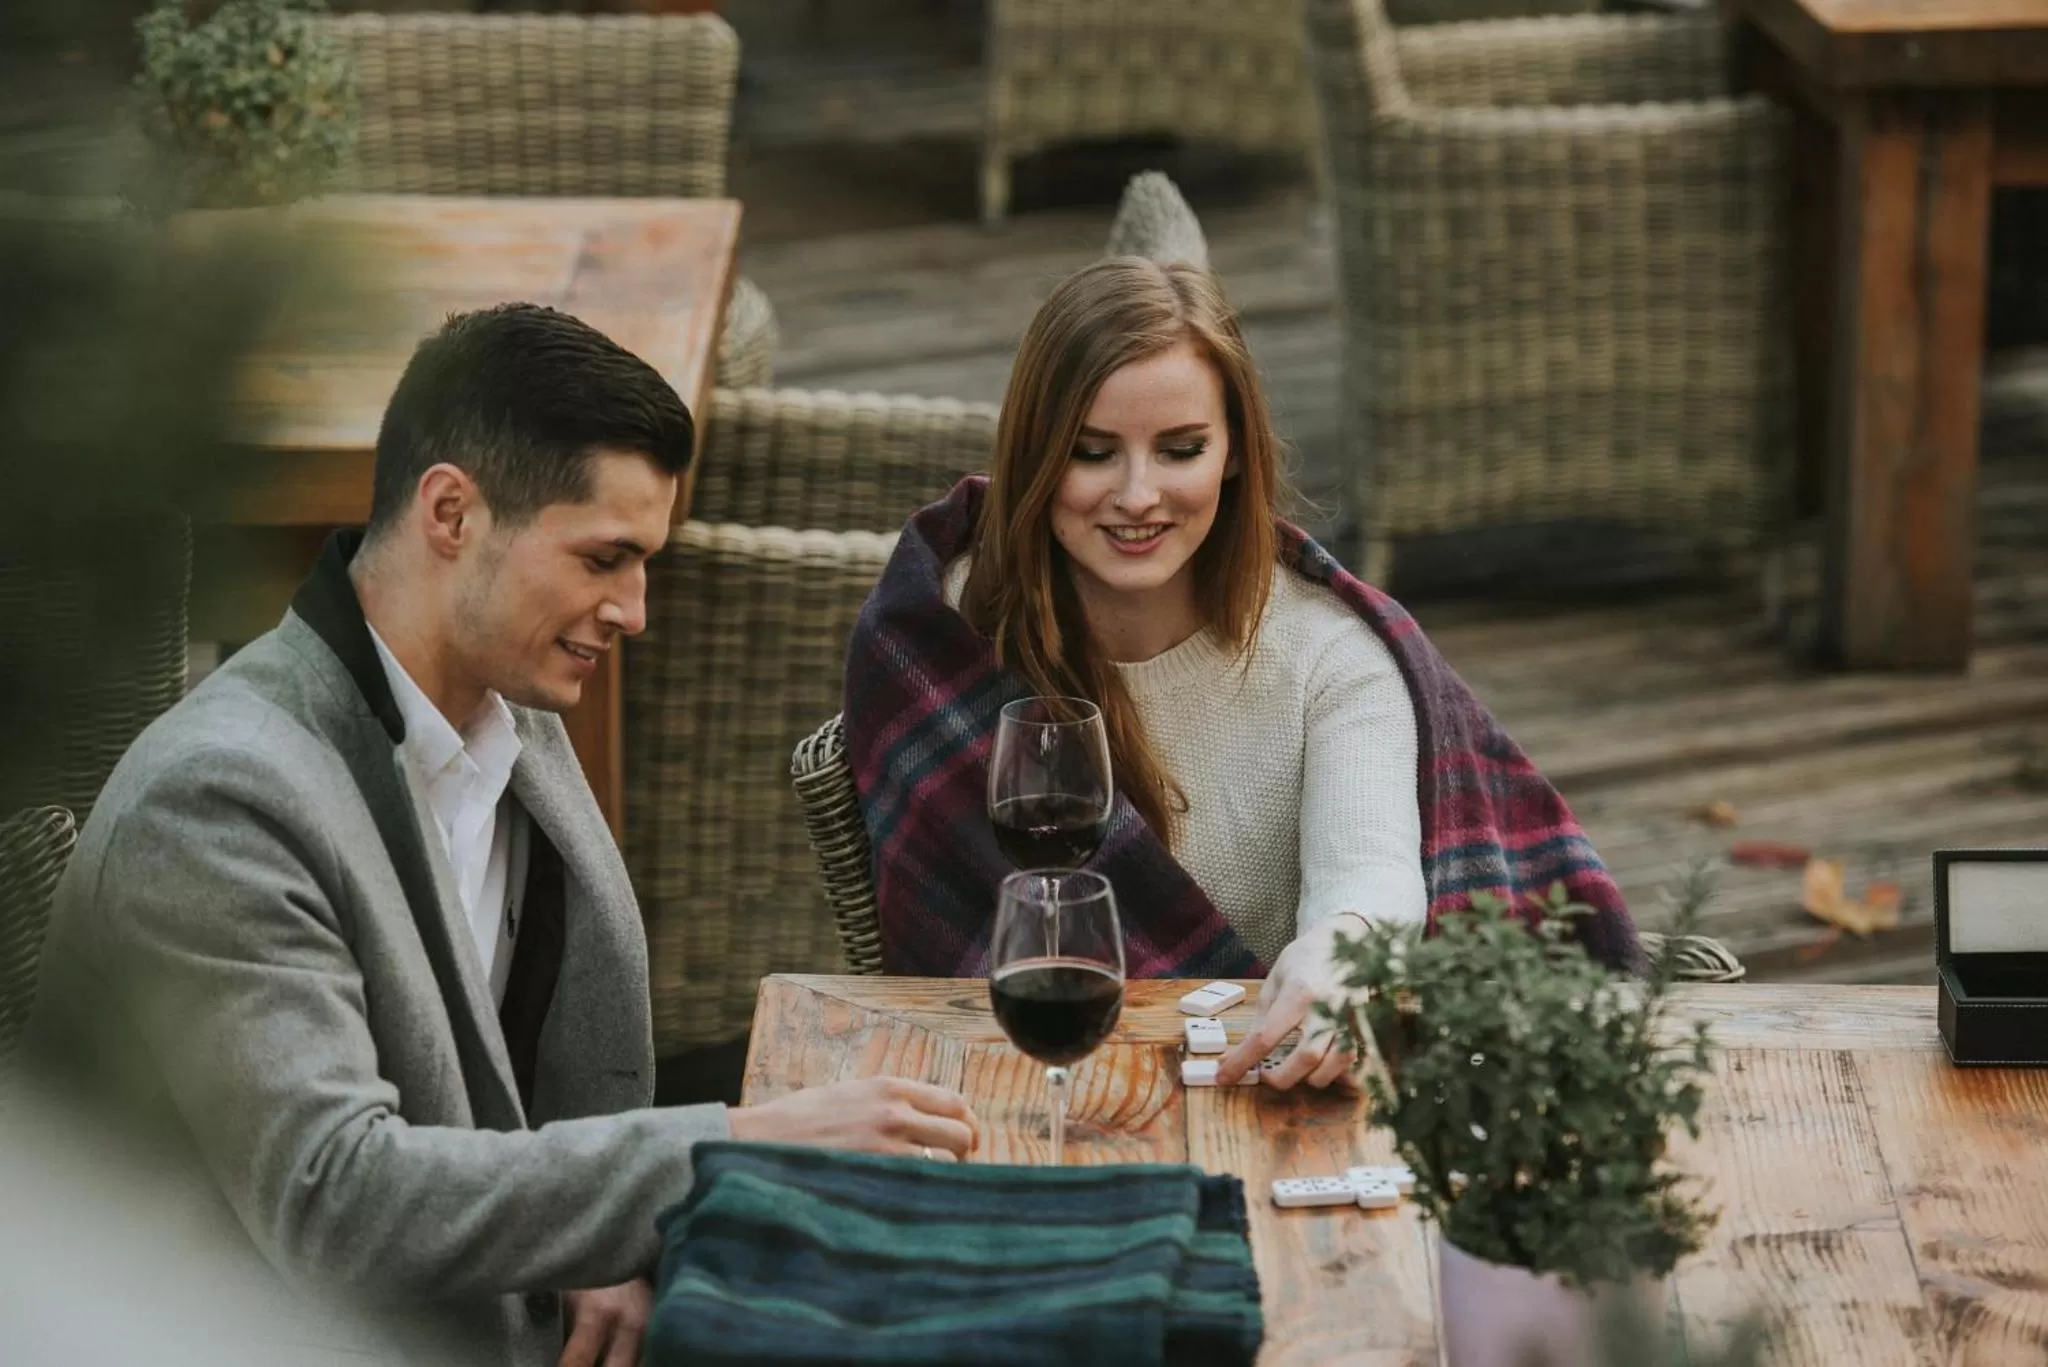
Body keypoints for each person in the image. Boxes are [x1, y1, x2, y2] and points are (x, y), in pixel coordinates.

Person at [26, 304, 979, 1367]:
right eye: (603, 557)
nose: (634, 609)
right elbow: (335, 1198)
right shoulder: (218, 801)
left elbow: (513, 1088)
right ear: (451, 513)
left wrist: (599, 1249)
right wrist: (737, 1145)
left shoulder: (502, 696)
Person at [843, 260, 1638, 1093]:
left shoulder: (1331, 650)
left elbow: (1370, 867)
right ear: (1036, 452)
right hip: (1005, 1085)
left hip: (1256, 1084)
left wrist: (1343, 953)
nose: (1138, 495)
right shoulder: (944, 626)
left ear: (1232, 453)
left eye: (1181, 449)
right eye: (1091, 452)